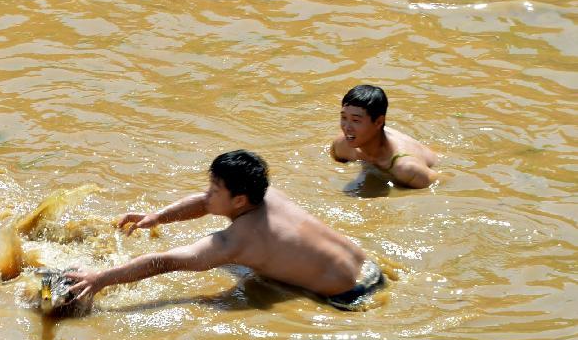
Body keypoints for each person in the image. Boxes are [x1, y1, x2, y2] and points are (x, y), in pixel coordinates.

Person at [67, 150, 385, 311]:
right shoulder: (268, 195)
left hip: (350, 299)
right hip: (372, 271)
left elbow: (165, 262)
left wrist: (100, 279)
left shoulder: (236, 240)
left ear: (240, 199)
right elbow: (206, 204)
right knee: (249, 269)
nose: (207, 194)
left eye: (214, 188)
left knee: (241, 269)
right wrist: (158, 216)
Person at [330, 85, 437, 189]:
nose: (346, 127)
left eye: (356, 120)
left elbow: (442, 184)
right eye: (344, 117)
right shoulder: (341, 145)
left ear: (378, 122)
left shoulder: (407, 169)